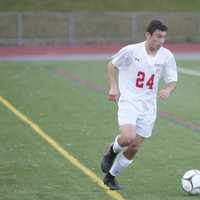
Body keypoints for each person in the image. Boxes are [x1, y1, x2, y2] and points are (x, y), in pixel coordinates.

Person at [101, 20, 178, 190]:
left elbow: (172, 80)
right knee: (128, 138)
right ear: (148, 35)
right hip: (129, 101)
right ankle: (111, 152)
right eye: (158, 36)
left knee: (134, 148)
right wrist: (114, 87)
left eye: (164, 37)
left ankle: (110, 176)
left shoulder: (167, 56)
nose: (162, 40)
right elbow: (112, 65)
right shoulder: (131, 50)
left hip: (149, 107)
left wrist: (168, 90)